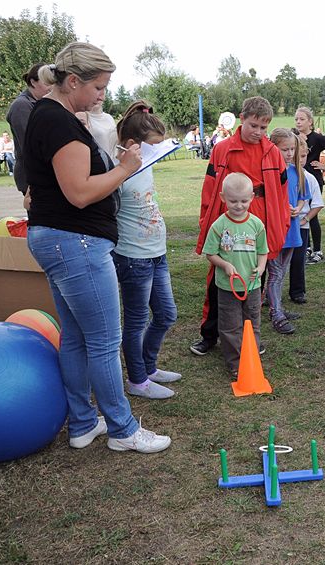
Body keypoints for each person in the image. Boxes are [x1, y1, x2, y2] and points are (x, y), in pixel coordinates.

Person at [25, 42, 170, 453]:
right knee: (104, 340)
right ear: (73, 82)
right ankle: (123, 430)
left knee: (75, 338)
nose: (103, 96)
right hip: (77, 242)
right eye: (100, 87)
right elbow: (80, 193)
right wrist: (125, 168)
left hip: (59, 239)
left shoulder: (51, 115)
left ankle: (83, 424)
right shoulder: (58, 122)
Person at [191, 96, 290, 356]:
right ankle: (209, 335)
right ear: (241, 118)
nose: (258, 132)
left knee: (255, 282)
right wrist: (207, 221)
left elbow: (281, 194)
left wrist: (281, 225)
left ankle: (249, 338)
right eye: (253, 125)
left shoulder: (273, 153)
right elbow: (210, 190)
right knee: (217, 282)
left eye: (263, 128)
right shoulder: (222, 149)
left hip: (260, 222)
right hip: (227, 223)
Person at [112, 101, 180, 400]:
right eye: (153, 146)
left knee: (166, 314)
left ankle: (148, 367)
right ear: (131, 145)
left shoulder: (143, 164)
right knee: (137, 320)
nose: (157, 152)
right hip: (132, 257)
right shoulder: (118, 171)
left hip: (156, 252)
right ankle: (137, 380)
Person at [203, 173, 269, 377]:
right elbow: (210, 253)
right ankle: (234, 364)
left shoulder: (257, 225)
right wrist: (224, 264)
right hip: (227, 286)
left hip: (252, 286)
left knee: (253, 323)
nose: (239, 205)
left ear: (252, 198)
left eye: (243, 201)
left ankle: (251, 358)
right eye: (233, 201)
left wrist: (261, 267)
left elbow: (263, 252)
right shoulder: (219, 226)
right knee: (230, 326)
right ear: (223, 197)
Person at [265, 128, 309, 334]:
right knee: (274, 272)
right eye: (285, 149)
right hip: (275, 228)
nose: (290, 153)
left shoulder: (296, 172)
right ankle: (276, 313)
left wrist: (298, 208)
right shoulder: (269, 173)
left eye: (292, 149)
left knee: (281, 271)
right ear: (273, 148)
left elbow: (302, 196)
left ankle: (276, 305)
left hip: (292, 229)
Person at [295, 106, 325, 264]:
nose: (298, 122)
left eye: (302, 119)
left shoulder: (318, 138)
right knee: (300, 213)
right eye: (296, 119)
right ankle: (305, 248)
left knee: (312, 215)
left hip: (313, 180)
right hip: (297, 180)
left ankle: (317, 250)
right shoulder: (293, 136)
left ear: (310, 122)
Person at [289, 130, 325, 304]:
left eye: (304, 156)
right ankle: (268, 293)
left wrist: (305, 220)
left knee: (298, 259)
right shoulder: (284, 174)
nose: (301, 160)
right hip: (283, 224)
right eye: (298, 156)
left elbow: (317, 204)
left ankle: (297, 291)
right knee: (276, 260)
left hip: (300, 225)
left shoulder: (309, 178)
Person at [6, 62, 49, 194]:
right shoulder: (21, 106)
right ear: (33, 82)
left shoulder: (40, 103)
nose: (52, 87)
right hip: (33, 176)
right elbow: (29, 144)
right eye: (47, 83)